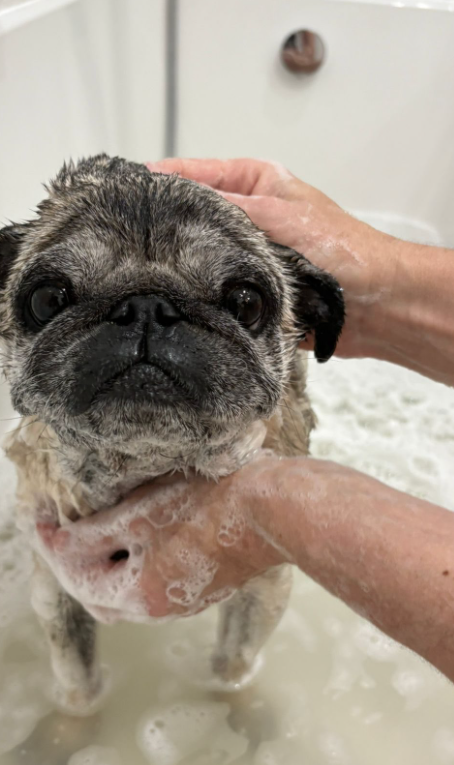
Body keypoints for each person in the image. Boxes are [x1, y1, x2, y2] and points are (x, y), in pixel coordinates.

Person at [41, 158, 454, 683]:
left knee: (250, 615)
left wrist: (270, 521)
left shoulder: (284, 412)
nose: (145, 324)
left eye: (241, 304)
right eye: (51, 301)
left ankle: (232, 680)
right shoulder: (41, 476)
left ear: (306, 323)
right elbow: (53, 594)